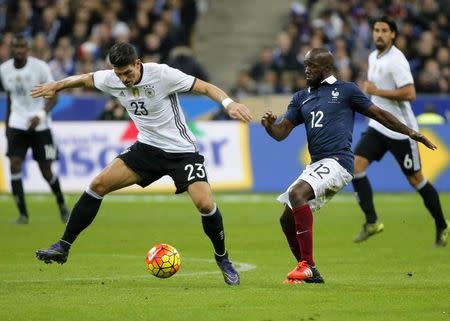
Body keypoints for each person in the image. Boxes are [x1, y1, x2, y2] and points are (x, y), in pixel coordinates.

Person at [31, 42, 252, 286]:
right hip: (146, 148)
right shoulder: (112, 78)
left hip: (181, 151)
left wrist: (229, 104)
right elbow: (85, 79)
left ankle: (223, 258)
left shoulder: (163, 75)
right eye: (118, 74)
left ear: (138, 64)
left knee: (204, 203)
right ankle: (63, 246)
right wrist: (56, 86)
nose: (124, 79)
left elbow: (205, 87)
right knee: (98, 184)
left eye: (128, 73)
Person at [261, 48, 436, 284]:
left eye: (311, 66)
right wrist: (270, 126)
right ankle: (311, 271)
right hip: (317, 165)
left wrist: (412, 133)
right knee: (286, 219)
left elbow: (380, 114)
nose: (306, 70)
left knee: (296, 194)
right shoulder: (301, 97)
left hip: (338, 161)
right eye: (305, 65)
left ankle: (308, 266)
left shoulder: (346, 90)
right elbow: (281, 133)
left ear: (325, 69)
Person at [352, 16, 449, 246]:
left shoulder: (397, 61)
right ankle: (372, 221)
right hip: (378, 125)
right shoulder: (373, 56)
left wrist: (377, 91)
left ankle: (442, 224)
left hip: (401, 131)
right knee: (355, 166)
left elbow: (409, 93)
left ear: (393, 34)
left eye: (385, 30)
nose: (379, 34)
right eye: (376, 30)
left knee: (416, 180)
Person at [0, 34, 69, 224]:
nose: (19, 50)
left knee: (46, 170)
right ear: (11, 48)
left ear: (27, 49)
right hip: (17, 123)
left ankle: (62, 205)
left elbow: (54, 96)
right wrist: (7, 124)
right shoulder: (3, 70)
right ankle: (22, 214)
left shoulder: (40, 68)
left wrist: (39, 116)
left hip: (40, 124)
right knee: (14, 164)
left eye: (22, 47)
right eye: (16, 47)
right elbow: (10, 97)